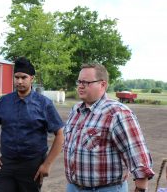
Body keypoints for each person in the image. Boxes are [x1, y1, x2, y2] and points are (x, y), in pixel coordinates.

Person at [63, 63, 155, 192]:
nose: (80, 85)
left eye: (86, 82)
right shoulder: (76, 110)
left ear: (103, 85)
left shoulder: (118, 113)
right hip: (73, 187)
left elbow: (138, 155)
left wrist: (140, 188)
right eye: (79, 81)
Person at [0, 57, 64, 192]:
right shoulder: (4, 101)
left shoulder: (44, 104)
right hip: (6, 165)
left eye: (24, 77)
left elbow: (60, 134)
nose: (19, 81)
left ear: (31, 78)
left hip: (32, 167)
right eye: (16, 77)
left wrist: (47, 164)